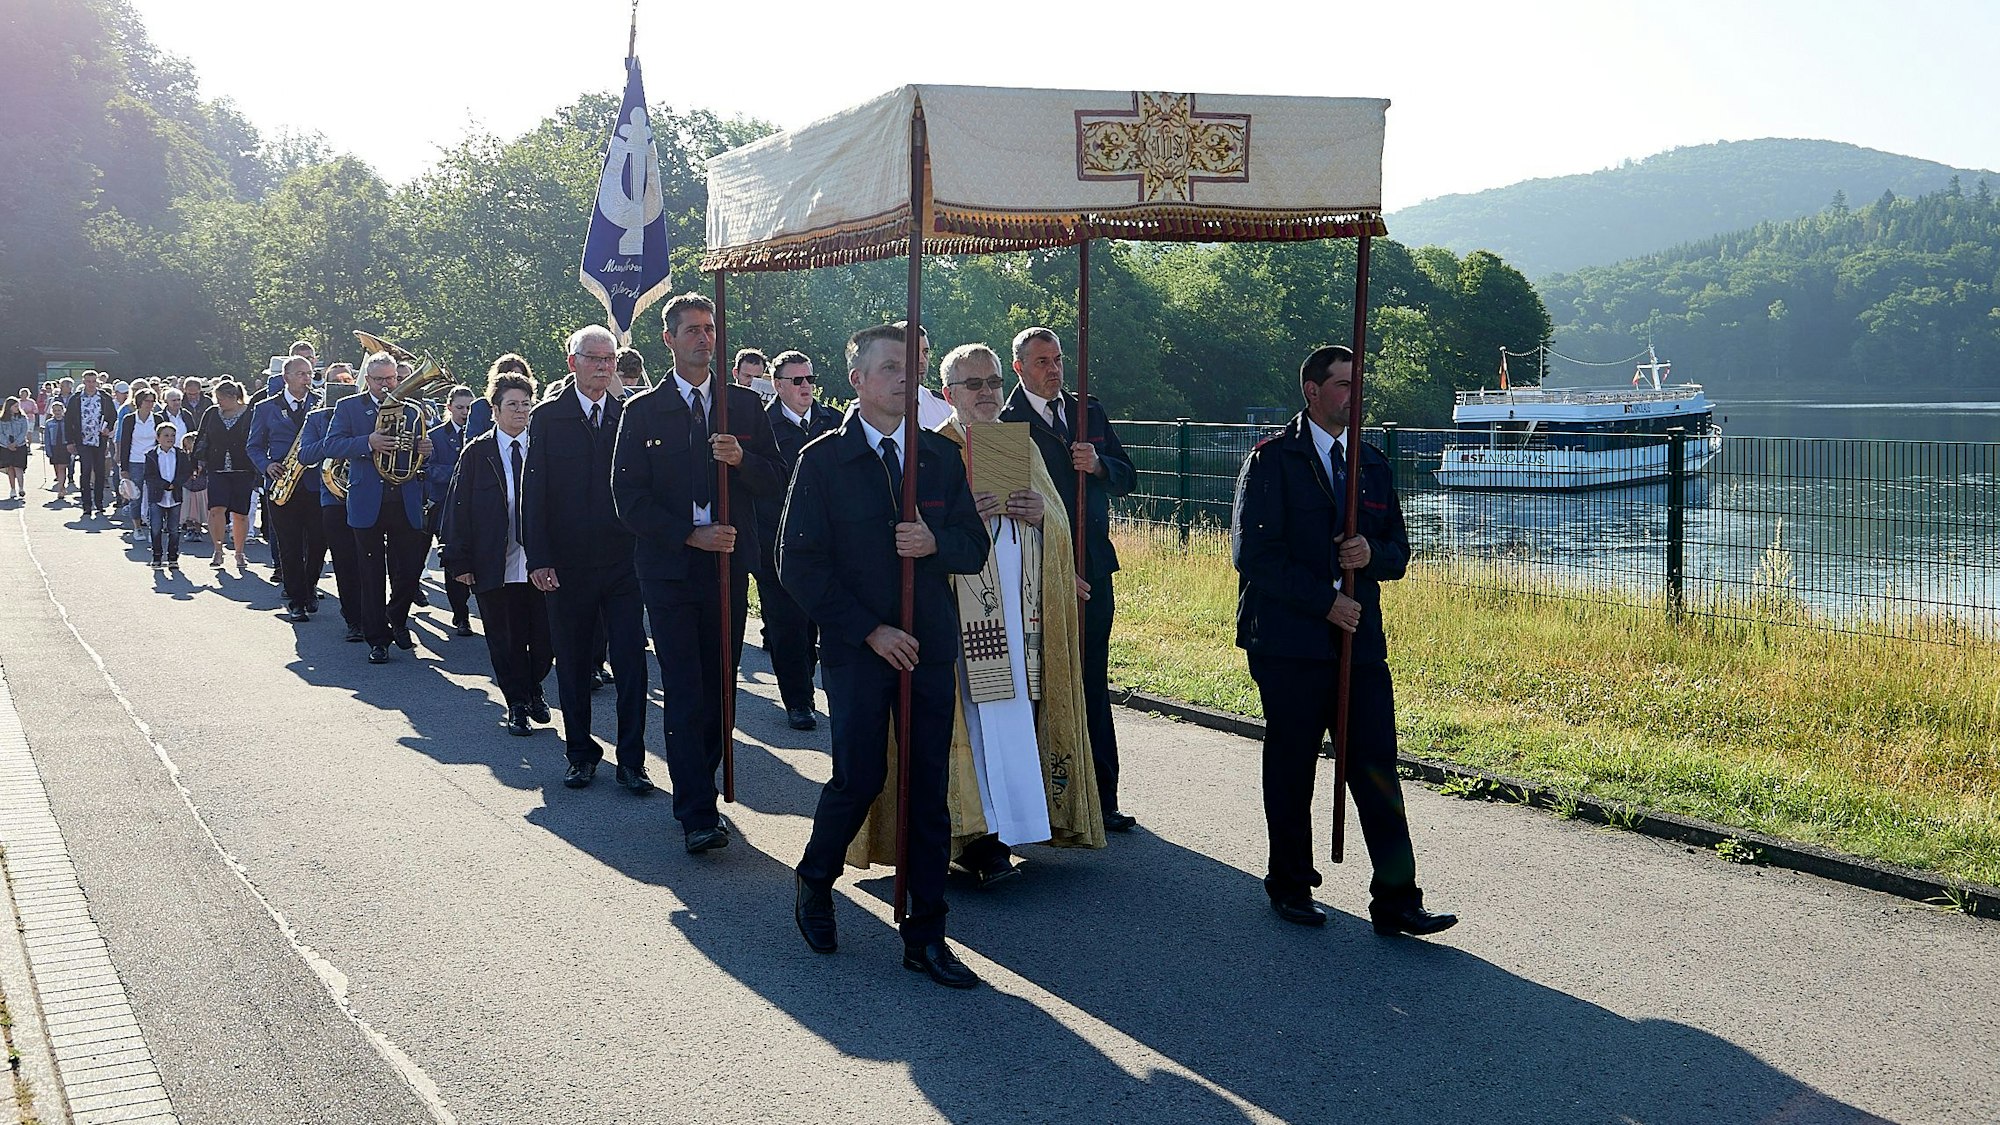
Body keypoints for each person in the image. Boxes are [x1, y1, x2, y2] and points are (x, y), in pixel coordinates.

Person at [781, 323, 989, 989]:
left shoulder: (938, 457)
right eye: (890, 366)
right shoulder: (822, 460)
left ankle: (926, 931)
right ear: (859, 380)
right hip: (858, 649)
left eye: (912, 366)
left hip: (927, 645)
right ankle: (816, 878)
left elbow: (973, 545)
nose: (906, 377)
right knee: (861, 776)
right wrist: (868, 629)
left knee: (928, 789)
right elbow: (798, 565)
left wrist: (935, 544)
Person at [1231, 344, 1458, 937]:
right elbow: (1252, 556)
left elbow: (1399, 552)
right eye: (1342, 384)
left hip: (1359, 640)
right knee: (1292, 763)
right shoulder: (1273, 460)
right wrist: (1323, 599)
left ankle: (1397, 898)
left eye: (1360, 384)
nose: (1354, 396)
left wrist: (1370, 555)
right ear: (1312, 391)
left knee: (1377, 762)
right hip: (1288, 640)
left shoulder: (1373, 463)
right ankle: (1290, 882)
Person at [613, 295, 783, 852]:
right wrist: (688, 534)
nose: (703, 339)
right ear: (669, 339)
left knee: (718, 689)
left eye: (710, 329)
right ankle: (695, 812)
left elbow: (779, 478)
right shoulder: (642, 411)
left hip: (728, 569)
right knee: (685, 689)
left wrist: (743, 461)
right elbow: (628, 498)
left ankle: (704, 783)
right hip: (669, 571)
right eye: (691, 330)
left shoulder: (744, 407)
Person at [931, 343, 1104, 884]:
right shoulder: (935, 450)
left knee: (1016, 715)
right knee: (975, 719)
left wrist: (1040, 517)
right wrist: (960, 521)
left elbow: (1055, 517)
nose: (985, 393)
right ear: (948, 394)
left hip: (1020, 604)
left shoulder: (1018, 444)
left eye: (992, 382)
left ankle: (1014, 823)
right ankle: (975, 834)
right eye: (972, 384)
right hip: (963, 609)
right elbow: (915, 530)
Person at [999, 327, 1139, 832]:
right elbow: (1003, 515)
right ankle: (1039, 800)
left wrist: (1099, 465)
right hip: (1035, 576)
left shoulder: (1088, 412)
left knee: (1091, 683)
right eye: (1041, 362)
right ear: (1019, 367)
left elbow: (1129, 476)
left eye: (1058, 359)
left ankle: (1102, 797)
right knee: (1035, 685)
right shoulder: (1003, 422)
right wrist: (1053, 570)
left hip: (1094, 567)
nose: (1054, 369)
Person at [522, 327, 649, 788]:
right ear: (572, 362)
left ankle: (632, 760)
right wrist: (539, 558)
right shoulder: (548, 417)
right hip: (568, 564)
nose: (603, 366)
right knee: (573, 662)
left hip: (624, 561)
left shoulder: (629, 415)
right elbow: (533, 493)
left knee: (632, 662)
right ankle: (580, 753)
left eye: (609, 358)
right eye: (593, 358)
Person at [442, 374, 553, 736]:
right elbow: (458, 508)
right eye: (512, 404)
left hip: (540, 561)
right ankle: (517, 703)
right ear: (494, 410)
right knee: (504, 639)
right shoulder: (477, 452)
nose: (520, 411)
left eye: (525, 403)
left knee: (544, 639)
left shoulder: (544, 446)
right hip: (494, 561)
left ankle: (534, 685)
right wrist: (458, 560)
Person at [324, 352, 434, 664]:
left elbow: (424, 447)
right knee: (371, 573)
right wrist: (368, 441)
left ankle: (396, 616)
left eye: (391, 378)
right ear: (367, 381)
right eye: (379, 379)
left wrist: (426, 448)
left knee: (410, 570)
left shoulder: (413, 410)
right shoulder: (349, 407)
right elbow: (331, 446)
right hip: (367, 501)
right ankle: (378, 639)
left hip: (405, 498)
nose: (387, 384)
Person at [757, 349, 842, 730]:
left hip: (828, 542)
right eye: (797, 381)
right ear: (778, 385)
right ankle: (798, 700)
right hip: (778, 542)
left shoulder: (833, 421)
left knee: (822, 619)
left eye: (810, 379)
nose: (806, 387)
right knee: (787, 624)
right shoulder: (764, 426)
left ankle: (832, 693)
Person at [248, 356, 326, 622]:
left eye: (310, 373)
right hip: (282, 482)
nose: (307, 379)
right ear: (286, 377)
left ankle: (310, 586)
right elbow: (253, 446)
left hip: (316, 483)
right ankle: (296, 599)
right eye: (301, 374)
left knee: (318, 542)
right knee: (289, 544)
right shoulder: (265, 408)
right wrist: (266, 465)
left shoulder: (321, 404)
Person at [298, 384, 366, 642]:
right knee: (345, 560)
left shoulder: (367, 412)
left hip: (368, 494)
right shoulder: (316, 419)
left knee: (370, 561)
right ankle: (354, 619)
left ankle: (376, 614)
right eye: (336, 382)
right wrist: (334, 444)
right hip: (333, 498)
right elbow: (304, 455)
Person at [426, 385, 477, 636]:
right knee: (451, 559)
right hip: (443, 505)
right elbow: (427, 471)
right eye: (460, 408)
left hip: (473, 507)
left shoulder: (482, 433)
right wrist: (460, 473)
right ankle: (460, 614)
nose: (465, 413)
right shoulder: (435, 436)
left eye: (469, 408)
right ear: (448, 408)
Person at [192, 380, 255, 568]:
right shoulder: (212, 413)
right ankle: (218, 550)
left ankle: (239, 552)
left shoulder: (250, 414)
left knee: (240, 513)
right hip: (217, 468)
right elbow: (202, 436)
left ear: (234, 397)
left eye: (221, 399)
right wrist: (197, 461)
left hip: (243, 469)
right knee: (216, 509)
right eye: (216, 398)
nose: (218, 402)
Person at [115, 387, 167, 538]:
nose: (150, 404)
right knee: (135, 496)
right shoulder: (130, 419)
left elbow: (161, 442)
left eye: (152, 401)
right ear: (139, 402)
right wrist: (124, 467)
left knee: (154, 496)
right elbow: (125, 443)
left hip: (153, 462)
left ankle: (153, 527)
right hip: (135, 461)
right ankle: (137, 527)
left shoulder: (158, 419)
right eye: (146, 401)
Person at [65, 371, 117, 518]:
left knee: (100, 471)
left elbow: (113, 416)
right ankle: (86, 504)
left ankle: (99, 503)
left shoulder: (105, 398)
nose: (91, 384)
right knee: (86, 470)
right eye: (88, 381)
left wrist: (109, 428)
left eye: (93, 381)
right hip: (82, 440)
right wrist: (69, 441)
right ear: (83, 382)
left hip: (100, 439)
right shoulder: (75, 399)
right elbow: (68, 422)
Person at [143, 421, 194, 568]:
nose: (170, 438)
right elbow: (149, 476)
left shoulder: (180, 454)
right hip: (157, 496)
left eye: (172, 435)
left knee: (174, 529)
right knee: (156, 527)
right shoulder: (151, 455)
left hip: (175, 496)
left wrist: (175, 483)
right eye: (166, 435)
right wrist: (164, 485)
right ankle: (157, 556)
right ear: (158, 437)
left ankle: (173, 557)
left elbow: (185, 472)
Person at [0, 398, 28, 500]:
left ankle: (21, 488)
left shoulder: (22, 418)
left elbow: (24, 431)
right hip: (6, 446)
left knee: (18, 467)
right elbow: (1, 433)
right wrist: (7, 444)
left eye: (18, 406)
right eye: (15, 406)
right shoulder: (2, 419)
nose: (17, 408)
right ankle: (12, 489)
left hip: (19, 445)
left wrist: (16, 443)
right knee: (10, 468)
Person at [43, 401, 71, 499]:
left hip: (65, 446)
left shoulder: (67, 421)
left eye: (59, 410)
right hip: (54, 447)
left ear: (63, 410)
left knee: (62, 467)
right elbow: (46, 437)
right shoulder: (49, 423)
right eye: (55, 411)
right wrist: (47, 449)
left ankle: (60, 489)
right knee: (57, 467)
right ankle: (62, 486)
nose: (57, 412)